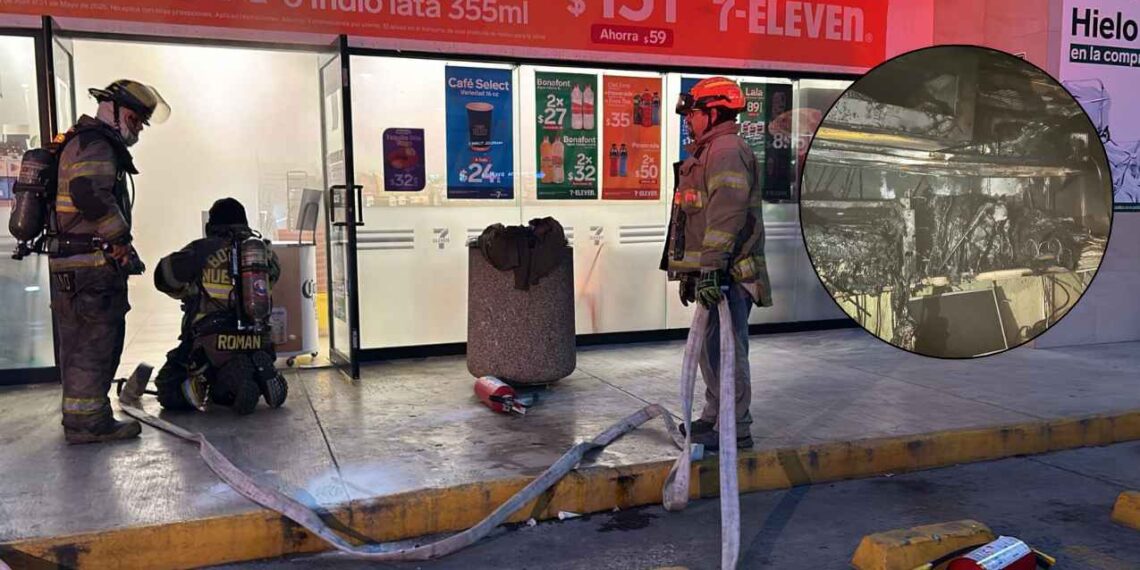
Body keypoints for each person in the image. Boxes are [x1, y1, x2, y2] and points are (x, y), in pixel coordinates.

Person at [50, 79, 170, 444]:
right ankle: (89, 424)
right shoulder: (97, 145)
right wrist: (120, 242)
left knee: (78, 344)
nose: (138, 129)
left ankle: (81, 418)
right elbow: (90, 194)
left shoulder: (80, 141)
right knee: (98, 341)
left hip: (71, 264)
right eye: (135, 121)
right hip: (91, 267)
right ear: (116, 112)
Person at [663, 76, 773, 450]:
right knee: (710, 352)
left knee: (727, 352)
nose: (688, 120)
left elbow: (726, 217)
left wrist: (710, 269)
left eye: (693, 113)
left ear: (713, 113)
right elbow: (695, 220)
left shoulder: (726, 151)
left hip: (729, 274)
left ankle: (735, 425)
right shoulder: (709, 151)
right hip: (715, 272)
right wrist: (691, 272)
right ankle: (715, 416)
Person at [153, 198, 284, 414]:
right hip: (258, 337)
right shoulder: (264, 252)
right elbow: (273, 278)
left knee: (169, 388)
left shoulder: (200, 250)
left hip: (211, 340)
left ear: (210, 225)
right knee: (244, 372)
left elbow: (163, 277)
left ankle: (229, 379)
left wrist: (189, 289)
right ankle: (258, 371)